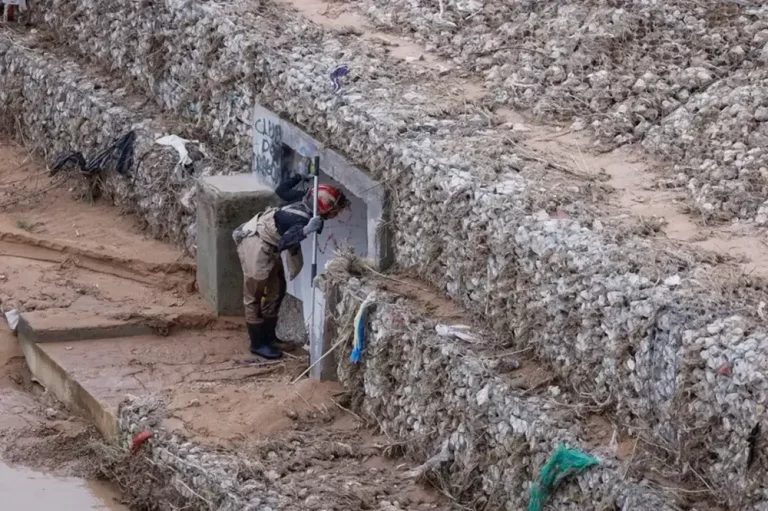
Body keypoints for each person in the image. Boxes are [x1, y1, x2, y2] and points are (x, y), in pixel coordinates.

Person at [232, 173, 350, 359]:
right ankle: (257, 344)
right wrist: (306, 230)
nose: (336, 214)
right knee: (254, 293)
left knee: (277, 289)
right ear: (324, 210)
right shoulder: (301, 219)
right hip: (258, 243)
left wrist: (297, 177)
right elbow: (284, 242)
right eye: (335, 211)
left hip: (270, 243)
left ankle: (270, 338)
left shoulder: (303, 199)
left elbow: (282, 190)